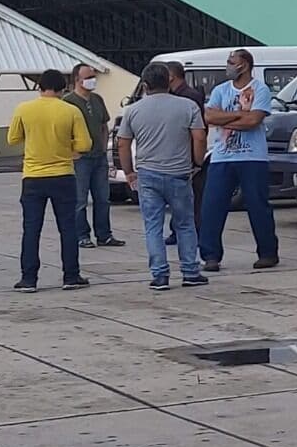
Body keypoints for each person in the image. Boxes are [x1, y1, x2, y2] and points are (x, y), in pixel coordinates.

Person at [116, 63, 208, 291]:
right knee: (185, 224)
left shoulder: (133, 110)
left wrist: (129, 172)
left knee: (153, 226)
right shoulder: (187, 106)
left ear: (145, 86)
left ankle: (159, 275)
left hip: (148, 174)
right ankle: (190, 271)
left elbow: (123, 144)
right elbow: (199, 137)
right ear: (168, 81)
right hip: (179, 173)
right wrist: (196, 162)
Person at [7, 69, 94, 292]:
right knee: (67, 227)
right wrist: (69, 149)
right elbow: (85, 145)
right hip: (63, 175)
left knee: (31, 228)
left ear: (40, 86)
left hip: (33, 177)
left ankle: (28, 279)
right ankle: (71, 276)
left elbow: (12, 138)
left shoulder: (24, 109)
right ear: (62, 87)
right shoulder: (71, 110)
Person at [199, 48, 279, 272]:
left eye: (230, 62)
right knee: (212, 206)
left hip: (252, 157)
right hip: (222, 157)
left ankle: (267, 252)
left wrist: (225, 120)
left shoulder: (260, 89)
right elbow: (209, 116)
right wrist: (238, 116)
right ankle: (211, 255)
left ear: (243, 65)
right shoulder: (220, 90)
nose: (228, 66)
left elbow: (253, 120)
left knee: (257, 205)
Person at [63, 63, 125, 250]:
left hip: (98, 157)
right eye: (89, 77)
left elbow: (103, 125)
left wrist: (103, 146)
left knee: (103, 197)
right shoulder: (68, 101)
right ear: (77, 79)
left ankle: (104, 234)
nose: (92, 80)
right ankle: (82, 235)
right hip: (80, 158)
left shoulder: (97, 99)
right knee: (80, 199)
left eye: (93, 77)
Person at [164, 60, 208, 243]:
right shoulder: (175, 95)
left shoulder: (189, 97)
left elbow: (198, 129)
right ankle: (177, 229)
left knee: (192, 195)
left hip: (188, 151)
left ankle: (194, 230)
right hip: (179, 150)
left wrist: (196, 158)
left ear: (171, 76)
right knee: (179, 195)